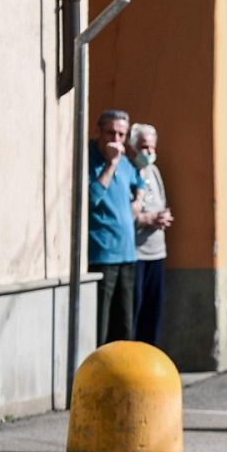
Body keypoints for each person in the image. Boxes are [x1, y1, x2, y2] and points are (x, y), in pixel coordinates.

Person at [88, 109, 146, 345]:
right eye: (111, 133)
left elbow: (139, 179)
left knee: (125, 327)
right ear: (98, 131)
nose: (116, 139)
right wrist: (110, 164)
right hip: (102, 254)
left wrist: (139, 199)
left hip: (127, 253)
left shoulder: (125, 162)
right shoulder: (89, 158)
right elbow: (90, 199)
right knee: (101, 327)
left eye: (121, 135)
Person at [127, 123, 173, 347]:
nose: (150, 152)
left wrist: (164, 216)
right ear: (133, 147)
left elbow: (162, 203)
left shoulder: (153, 171)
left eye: (153, 148)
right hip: (136, 253)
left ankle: (149, 353)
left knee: (153, 311)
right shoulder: (127, 171)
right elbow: (123, 214)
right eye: (145, 147)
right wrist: (146, 219)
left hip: (157, 252)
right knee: (135, 311)